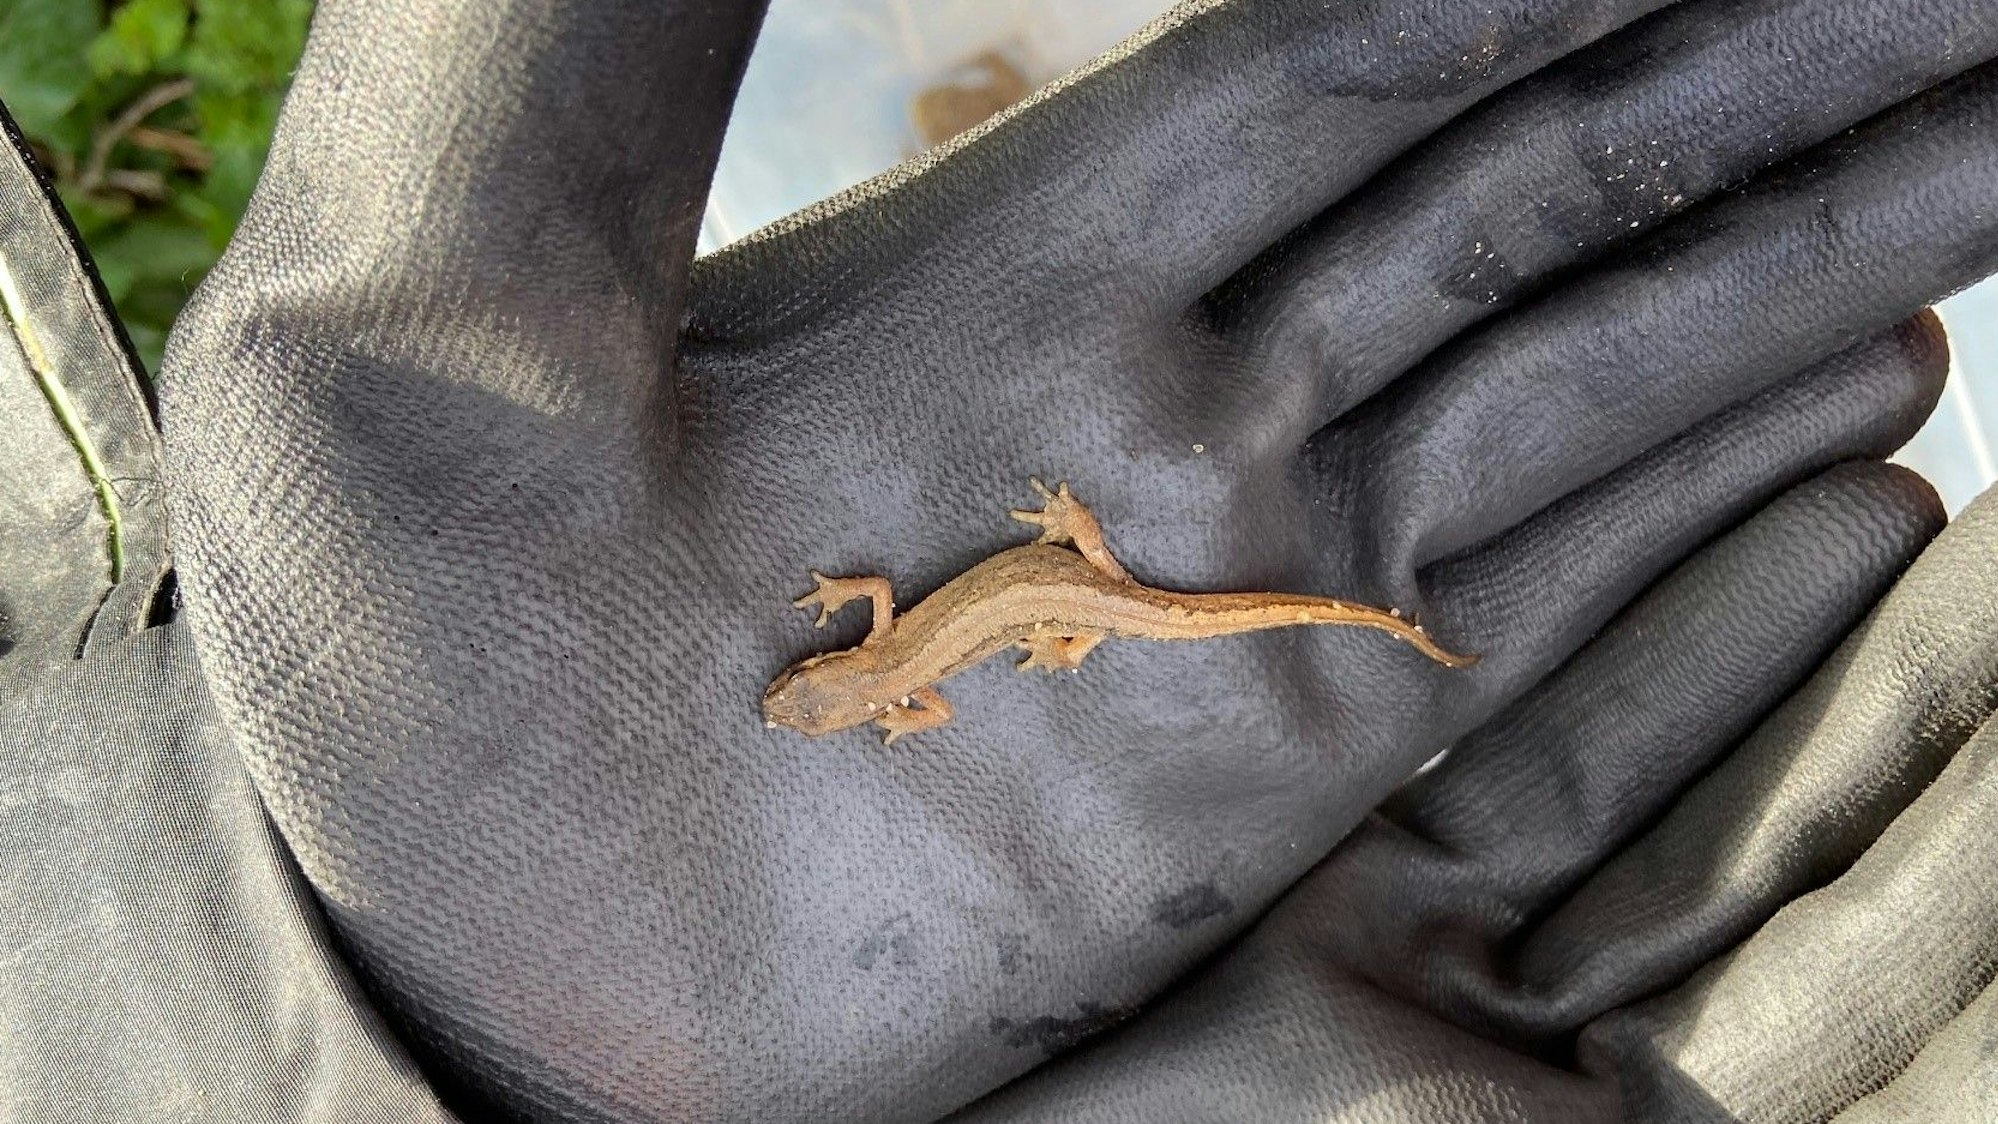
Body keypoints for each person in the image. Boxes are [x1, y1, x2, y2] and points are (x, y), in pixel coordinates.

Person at [5, 1, 1998, 1120]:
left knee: (1187, 595)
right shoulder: (897, 678)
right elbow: (913, 644)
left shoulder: (887, 675)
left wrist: (224, 938)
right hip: (1077, 584)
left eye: (826, 688)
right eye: (827, 693)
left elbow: (903, 638)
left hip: (1079, 593)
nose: (826, 691)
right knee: (1177, 592)